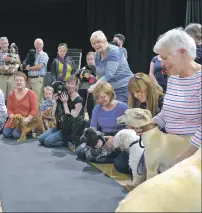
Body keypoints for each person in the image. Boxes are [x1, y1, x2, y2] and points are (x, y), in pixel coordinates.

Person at [135, 28, 201, 166]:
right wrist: (149, 125)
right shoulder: (173, 78)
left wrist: (182, 157)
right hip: (170, 145)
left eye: (165, 58)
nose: (162, 64)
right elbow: (166, 114)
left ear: (182, 52)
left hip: (192, 152)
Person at [76, 82, 128, 163]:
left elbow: (128, 130)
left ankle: (111, 155)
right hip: (102, 136)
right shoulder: (97, 109)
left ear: (110, 95)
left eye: (103, 97)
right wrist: (96, 141)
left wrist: (115, 139)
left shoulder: (123, 107)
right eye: (98, 98)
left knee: (97, 158)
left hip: (118, 137)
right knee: (79, 151)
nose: (100, 100)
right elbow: (93, 128)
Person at [88, 30, 133, 103]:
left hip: (123, 88)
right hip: (110, 89)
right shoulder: (96, 55)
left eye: (98, 42)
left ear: (105, 41)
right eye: (93, 43)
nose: (96, 45)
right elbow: (99, 75)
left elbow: (109, 74)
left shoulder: (114, 51)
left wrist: (95, 86)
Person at [39, 75, 83, 147]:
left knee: (47, 142)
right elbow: (54, 111)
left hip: (70, 129)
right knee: (41, 139)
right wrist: (55, 101)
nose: (69, 86)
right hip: (61, 126)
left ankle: (68, 142)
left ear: (76, 86)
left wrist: (65, 103)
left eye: (72, 84)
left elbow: (71, 118)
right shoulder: (64, 94)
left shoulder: (79, 100)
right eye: (68, 83)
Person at [2, 71, 38, 139]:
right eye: (17, 80)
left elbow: (34, 110)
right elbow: (9, 110)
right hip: (15, 119)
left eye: (21, 80)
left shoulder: (31, 94)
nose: (18, 82)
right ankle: (17, 130)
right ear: (14, 82)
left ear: (25, 82)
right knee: (5, 133)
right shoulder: (11, 95)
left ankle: (27, 131)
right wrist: (13, 117)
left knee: (16, 135)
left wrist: (27, 119)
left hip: (25, 120)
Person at [23, 38, 49, 104]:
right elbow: (24, 64)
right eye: (37, 44)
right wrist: (23, 66)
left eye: (40, 44)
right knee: (26, 98)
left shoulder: (44, 54)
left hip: (38, 79)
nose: (38, 46)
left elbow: (39, 67)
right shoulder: (31, 54)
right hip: (29, 79)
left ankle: (38, 114)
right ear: (34, 45)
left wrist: (28, 68)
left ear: (43, 45)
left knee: (38, 100)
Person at [75, 51, 96, 119]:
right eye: (88, 59)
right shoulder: (83, 69)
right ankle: (80, 121)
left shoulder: (98, 68)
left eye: (91, 59)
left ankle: (92, 122)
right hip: (82, 89)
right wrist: (81, 77)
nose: (90, 61)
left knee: (91, 107)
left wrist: (93, 77)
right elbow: (75, 76)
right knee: (81, 106)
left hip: (93, 90)